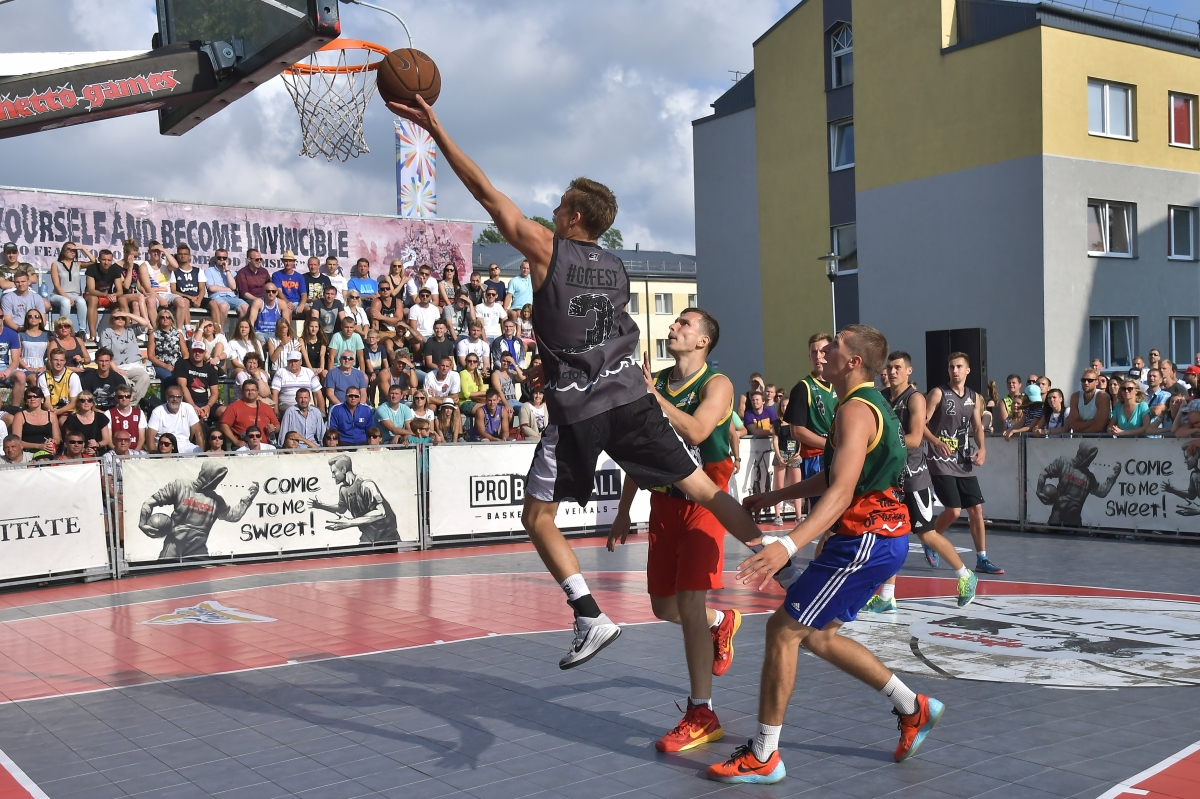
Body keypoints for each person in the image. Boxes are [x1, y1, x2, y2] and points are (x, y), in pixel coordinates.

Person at [391, 94, 763, 668]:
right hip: (631, 398)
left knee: (537, 517)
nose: (551, 211)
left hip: (579, 409)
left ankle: (589, 615)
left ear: (573, 218)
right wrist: (555, 354)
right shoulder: (617, 266)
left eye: (560, 205)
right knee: (705, 491)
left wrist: (435, 128)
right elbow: (592, 327)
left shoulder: (548, 249)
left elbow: (485, 193)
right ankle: (782, 558)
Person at [710, 326, 940, 784]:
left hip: (865, 541)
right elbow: (838, 475)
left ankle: (764, 754)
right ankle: (912, 707)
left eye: (834, 345)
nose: (824, 351)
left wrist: (787, 544)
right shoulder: (863, 404)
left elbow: (841, 492)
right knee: (817, 637)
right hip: (878, 538)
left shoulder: (855, 410)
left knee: (781, 630)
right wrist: (777, 496)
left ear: (853, 361)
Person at [606, 308, 742, 752]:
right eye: (675, 322)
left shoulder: (717, 384)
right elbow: (641, 450)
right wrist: (624, 510)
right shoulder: (659, 380)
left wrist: (652, 399)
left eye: (683, 324)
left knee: (688, 601)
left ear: (703, 341)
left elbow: (699, 431)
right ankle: (722, 621)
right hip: (663, 503)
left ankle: (701, 712)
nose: (672, 327)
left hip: (705, 502)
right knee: (663, 606)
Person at [861, 351, 978, 614]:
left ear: (908, 371)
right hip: (889, 477)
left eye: (897, 367)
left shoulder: (915, 398)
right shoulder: (881, 397)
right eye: (889, 368)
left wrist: (879, 441)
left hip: (914, 477)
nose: (892, 372)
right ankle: (888, 596)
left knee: (926, 533)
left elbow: (915, 439)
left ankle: (965, 574)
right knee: (890, 534)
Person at [926, 352, 1003, 575]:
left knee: (976, 509)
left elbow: (977, 427)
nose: (955, 371)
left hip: (963, 460)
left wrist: (982, 448)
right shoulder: (938, 393)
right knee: (953, 511)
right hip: (940, 460)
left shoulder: (974, 397)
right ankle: (931, 539)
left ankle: (982, 558)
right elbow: (921, 424)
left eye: (959, 366)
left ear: (968, 370)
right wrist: (936, 442)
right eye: (951, 367)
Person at [139, 461, 259, 558]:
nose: (217, 482)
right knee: (164, 574)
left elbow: (233, 515)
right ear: (208, 476)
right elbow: (148, 503)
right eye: (216, 478)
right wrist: (142, 523)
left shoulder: (216, 500)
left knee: (203, 579)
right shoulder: (180, 486)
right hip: (175, 545)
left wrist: (248, 499)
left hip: (198, 549)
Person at [784, 334, 837, 511]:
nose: (818, 356)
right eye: (814, 352)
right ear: (809, 357)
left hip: (840, 453)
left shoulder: (840, 384)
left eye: (823, 351)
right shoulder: (803, 387)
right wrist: (829, 444)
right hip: (817, 457)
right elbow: (797, 431)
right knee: (823, 511)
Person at [309, 453, 398, 543]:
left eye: (334, 472)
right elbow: (341, 509)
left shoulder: (366, 484)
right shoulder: (343, 489)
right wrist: (320, 505)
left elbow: (381, 512)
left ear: (343, 469)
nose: (332, 476)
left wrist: (350, 522)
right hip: (368, 535)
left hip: (386, 534)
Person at [221, 379, 280, 449]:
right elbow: (224, 425)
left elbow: (277, 426)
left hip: (265, 447)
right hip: (244, 447)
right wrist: (235, 441)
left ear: (257, 391)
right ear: (242, 391)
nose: (250, 392)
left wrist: (274, 428)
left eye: (253, 390)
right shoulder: (233, 407)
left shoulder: (267, 408)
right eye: (247, 390)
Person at [48, 242, 90, 337]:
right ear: (63, 251)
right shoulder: (56, 264)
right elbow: (56, 285)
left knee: (81, 301)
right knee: (66, 302)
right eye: (69, 249)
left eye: (74, 250)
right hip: (58, 295)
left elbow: (93, 261)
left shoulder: (77, 264)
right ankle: (64, 328)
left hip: (75, 295)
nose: (72, 252)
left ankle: (82, 330)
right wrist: (67, 297)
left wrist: (82, 248)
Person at [174, 340, 222, 425]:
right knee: (193, 417)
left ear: (205, 353)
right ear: (190, 351)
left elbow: (215, 393)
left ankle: (218, 432)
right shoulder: (181, 364)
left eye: (200, 351)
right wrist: (193, 406)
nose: (197, 353)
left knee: (226, 411)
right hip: (186, 403)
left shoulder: (211, 369)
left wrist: (208, 406)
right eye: (195, 351)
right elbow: (182, 386)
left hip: (205, 403)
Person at [770, 395, 801, 526]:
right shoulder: (777, 423)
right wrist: (778, 456)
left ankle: (799, 516)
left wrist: (799, 452)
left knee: (797, 486)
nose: (784, 408)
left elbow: (800, 438)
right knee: (779, 486)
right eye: (782, 406)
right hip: (782, 453)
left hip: (795, 454)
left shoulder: (797, 421)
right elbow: (775, 440)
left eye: (787, 405)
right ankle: (777, 515)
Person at [167, 243, 213, 330]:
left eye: (185, 254)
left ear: (190, 256)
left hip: (197, 297)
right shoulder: (174, 272)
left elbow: (202, 289)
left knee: (213, 303)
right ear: (177, 256)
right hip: (184, 297)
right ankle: (188, 329)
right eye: (180, 254)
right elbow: (173, 290)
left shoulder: (198, 270)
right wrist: (189, 297)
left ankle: (218, 330)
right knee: (185, 302)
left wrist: (199, 300)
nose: (183, 256)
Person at [146, 386, 203, 454]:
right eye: (172, 396)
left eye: (178, 397)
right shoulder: (157, 411)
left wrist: (201, 455)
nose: (175, 399)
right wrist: (154, 457)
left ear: (182, 398)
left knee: (198, 452)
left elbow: (198, 433)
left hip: (184, 445)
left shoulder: (188, 408)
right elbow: (150, 436)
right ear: (166, 397)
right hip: (165, 445)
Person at [84, 249, 125, 340]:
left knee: (122, 299)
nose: (106, 263)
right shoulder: (92, 268)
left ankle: (126, 333)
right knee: (94, 299)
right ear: (99, 259)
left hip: (107, 297)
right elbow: (91, 290)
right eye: (104, 260)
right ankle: (93, 335)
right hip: (92, 296)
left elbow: (120, 291)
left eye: (109, 260)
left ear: (112, 260)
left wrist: (114, 295)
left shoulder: (115, 269)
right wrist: (106, 295)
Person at [204, 247, 250, 324]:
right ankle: (220, 330)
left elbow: (234, 287)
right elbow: (211, 288)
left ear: (227, 259)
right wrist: (229, 289)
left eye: (224, 258)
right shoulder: (209, 271)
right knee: (223, 306)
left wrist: (227, 270)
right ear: (215, 259)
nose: (222, 260)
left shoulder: (232, 272)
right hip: (217, 296)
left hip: (232, 297)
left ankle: (239, 331)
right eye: (219, 258)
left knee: (245, 307)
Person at [272, 349, 324, 415]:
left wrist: (322, 413)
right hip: (286, 406)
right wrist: (276, 413)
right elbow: (274, 393)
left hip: (306, 405)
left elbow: (318, 393)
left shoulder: (308, 372)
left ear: (301, 362)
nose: (293, 363)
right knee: (295, 413)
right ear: (287, 362)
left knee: (315, 413)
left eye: (295, 361)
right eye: (291, 361)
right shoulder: (281, 372)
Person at [12, 387, 60, 456]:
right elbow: (16, 441)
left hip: (47, 451)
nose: (32, 399)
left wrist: (53, 441)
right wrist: (39, 446)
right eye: (29, 397)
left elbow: (57, 438)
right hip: (27, 453)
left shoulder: (51, 416)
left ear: (42, 399)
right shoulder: (20, 416)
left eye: (36, 396)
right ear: (26, 400)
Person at [79, 348, 127, 412]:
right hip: (94, 411)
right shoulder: (88, 379)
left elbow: (124, 400)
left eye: (106, 361)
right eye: (101, 361)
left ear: (110, 362)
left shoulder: (118, 379)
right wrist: (100, 412)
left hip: (114, 412)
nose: (104, 364)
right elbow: (85, 401)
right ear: (96, 361)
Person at [39, 348, 82, 417]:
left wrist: (57, 412)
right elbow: (46, 401)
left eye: (61, 360)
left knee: (63, 420)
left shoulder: (73, 376)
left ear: (65, 361)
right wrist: (52, 411)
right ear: (50, 361)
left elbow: (74, 402)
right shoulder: (43, 377)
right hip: (50, 410)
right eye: (56, 360)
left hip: (69, 411)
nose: (59, 363)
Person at [1068, 368, 1112, 434]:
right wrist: (1093, 421)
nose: (1086, 383)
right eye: (1083, 380)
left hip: (1100, 435)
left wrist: (1081, 432)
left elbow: (1099, 426)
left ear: (1096, 382)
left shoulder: (1102, 396)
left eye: (1090, 380)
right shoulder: (1075, 397)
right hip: (1080, 435)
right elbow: (1073, 424)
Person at [147, 309, 186, 382]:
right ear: (159, 320)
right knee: (169, 377)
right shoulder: (153, 335)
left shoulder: (178, 334)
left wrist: (181, 365)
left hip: (178, 365)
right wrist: (165, 366)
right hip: (160, 365)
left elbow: (185, 353)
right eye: (162, 317)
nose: (165, 319)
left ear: (171, 320)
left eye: (168, 317)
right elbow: (151, 356)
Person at [3, 268, 45, 335]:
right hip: (14, 330)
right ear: (14, 283)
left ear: (28, 282)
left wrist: (32, 331)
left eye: (23, 281)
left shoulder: (37, 298)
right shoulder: (7, 298)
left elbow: (42, 319)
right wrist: (21, 330)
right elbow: (7, 320)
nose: (20, 284)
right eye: (17, 282)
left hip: (32, 329)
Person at [106, 385, 145, 452]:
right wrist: (118, 453)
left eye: (127, 396)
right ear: (116, 398)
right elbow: (109, 440)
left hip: (136, 450)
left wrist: (135, 453)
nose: (124, 399)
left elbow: (141, 438)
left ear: (131, 398)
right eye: (120, 397)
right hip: (116, 451)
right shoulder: (109, 413)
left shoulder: (139, 413)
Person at [271, 251, 307, 318]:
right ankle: (287, 325)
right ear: (282, 261)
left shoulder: (300, 276)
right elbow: (279, 292)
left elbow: (304, 294)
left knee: (309, 310)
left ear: (294, 262)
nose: (288, 263)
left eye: (290, 261)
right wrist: (287, 302)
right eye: (286, 261)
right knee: (287, 311)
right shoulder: (276, 275)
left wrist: (302, 305)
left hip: (297, 302)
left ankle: (310, 325)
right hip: (283, 302)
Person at [491, 351, 525, 418]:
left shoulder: (512, 372)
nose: (506, 363)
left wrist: (514, 364)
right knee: (509, 413)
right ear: (500, 360)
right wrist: (506, 405)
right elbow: (499, 391)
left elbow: (523, 379)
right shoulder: (495, 374)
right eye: (504, 361)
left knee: (529, 409)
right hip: (503, 402)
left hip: (514, 401)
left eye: (508, 361)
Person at [0, 318, 23, 397]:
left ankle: (15, 405)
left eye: (0, 316)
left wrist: (8, 371)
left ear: (3, 317)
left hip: (5, 368)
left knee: (20, 376)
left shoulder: (12, 334)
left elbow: (15, 361)